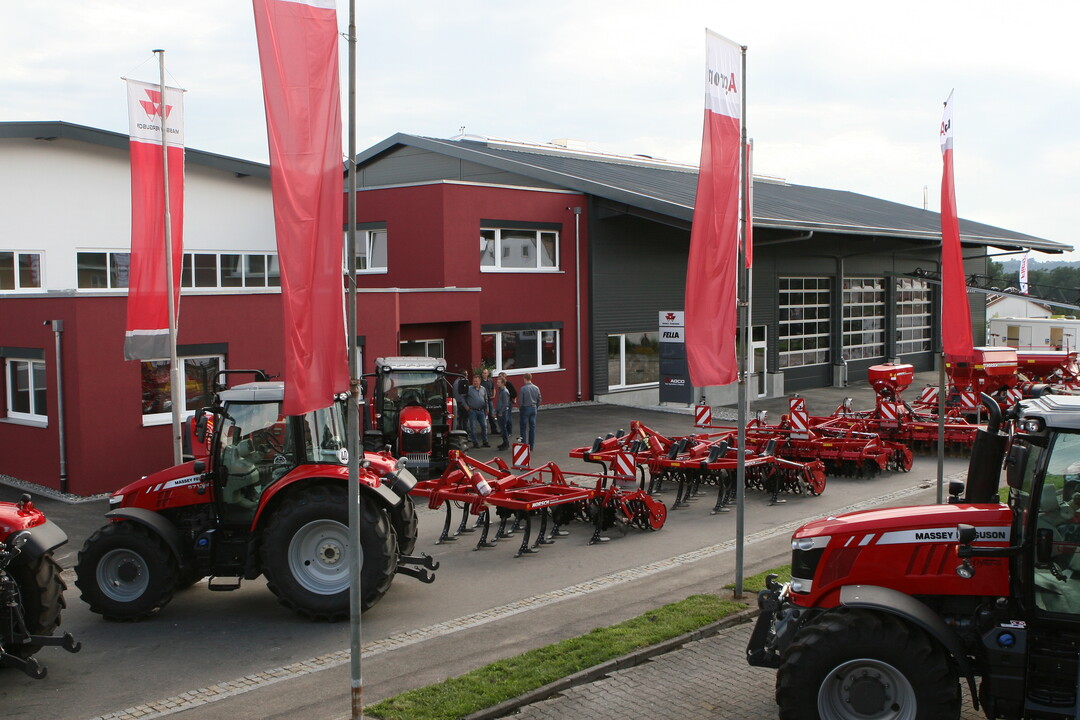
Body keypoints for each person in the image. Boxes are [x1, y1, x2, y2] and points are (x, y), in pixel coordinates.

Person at [518, 373, 541, 450]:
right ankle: (531, 446)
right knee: (532, 428)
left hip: (525, 408)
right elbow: (539, 399)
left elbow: (521, 401)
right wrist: (536, 407)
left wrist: (520, 408)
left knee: (523, 428)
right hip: (533, 408)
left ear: (525, 378)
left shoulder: (523, 389)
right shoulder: (536, 388)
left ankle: (524, 446)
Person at [465, 374, 490, 448]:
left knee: (484, 426)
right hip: (472, 411)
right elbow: (463, 398)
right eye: (474, 381)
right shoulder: (469, 389)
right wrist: (466, 406)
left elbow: (486, 399)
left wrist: (487, 408)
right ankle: (475, 443)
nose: (475, 383)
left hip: (481, 410)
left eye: (476, 381)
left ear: (480, 381)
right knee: (473, 427)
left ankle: (485, 442)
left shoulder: (483, 389)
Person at [494, 376, 512, 450]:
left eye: (498, 382)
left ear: (503, 383)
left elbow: (505, 404)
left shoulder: (504, 391)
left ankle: (506, 443)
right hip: (501, 412)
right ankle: (504, 442)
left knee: (503, 428)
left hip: (503, 413)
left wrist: (500, 412)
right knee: (502, 428)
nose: (497, 383)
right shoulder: (501, 390)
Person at [480, 368, 497, 434]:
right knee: (483, 415)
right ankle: (484, 430)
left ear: (487, 374)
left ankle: (494, 429)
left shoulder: (490, 380)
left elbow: (493, 388)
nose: (484, 374)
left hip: (489, 399)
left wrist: (494, 395)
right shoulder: (480, 382)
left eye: (485, 373)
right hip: (482, 400)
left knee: (491, 414)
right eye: (483, 373)